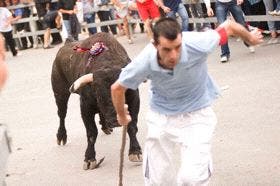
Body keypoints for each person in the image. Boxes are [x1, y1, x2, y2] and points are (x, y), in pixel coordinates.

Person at [111, 17, 263, 185]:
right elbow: (117, 88)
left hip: (197, 114)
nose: (174, 55)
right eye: (167, 49)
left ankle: (202, 167)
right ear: (155, 45)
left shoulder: (198, 43)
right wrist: (121, 115)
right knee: (157, 180)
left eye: (177, 47)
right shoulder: (145, 61)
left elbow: (228, 26)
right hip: (161, 117)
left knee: (191, 178)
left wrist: (250, 38)